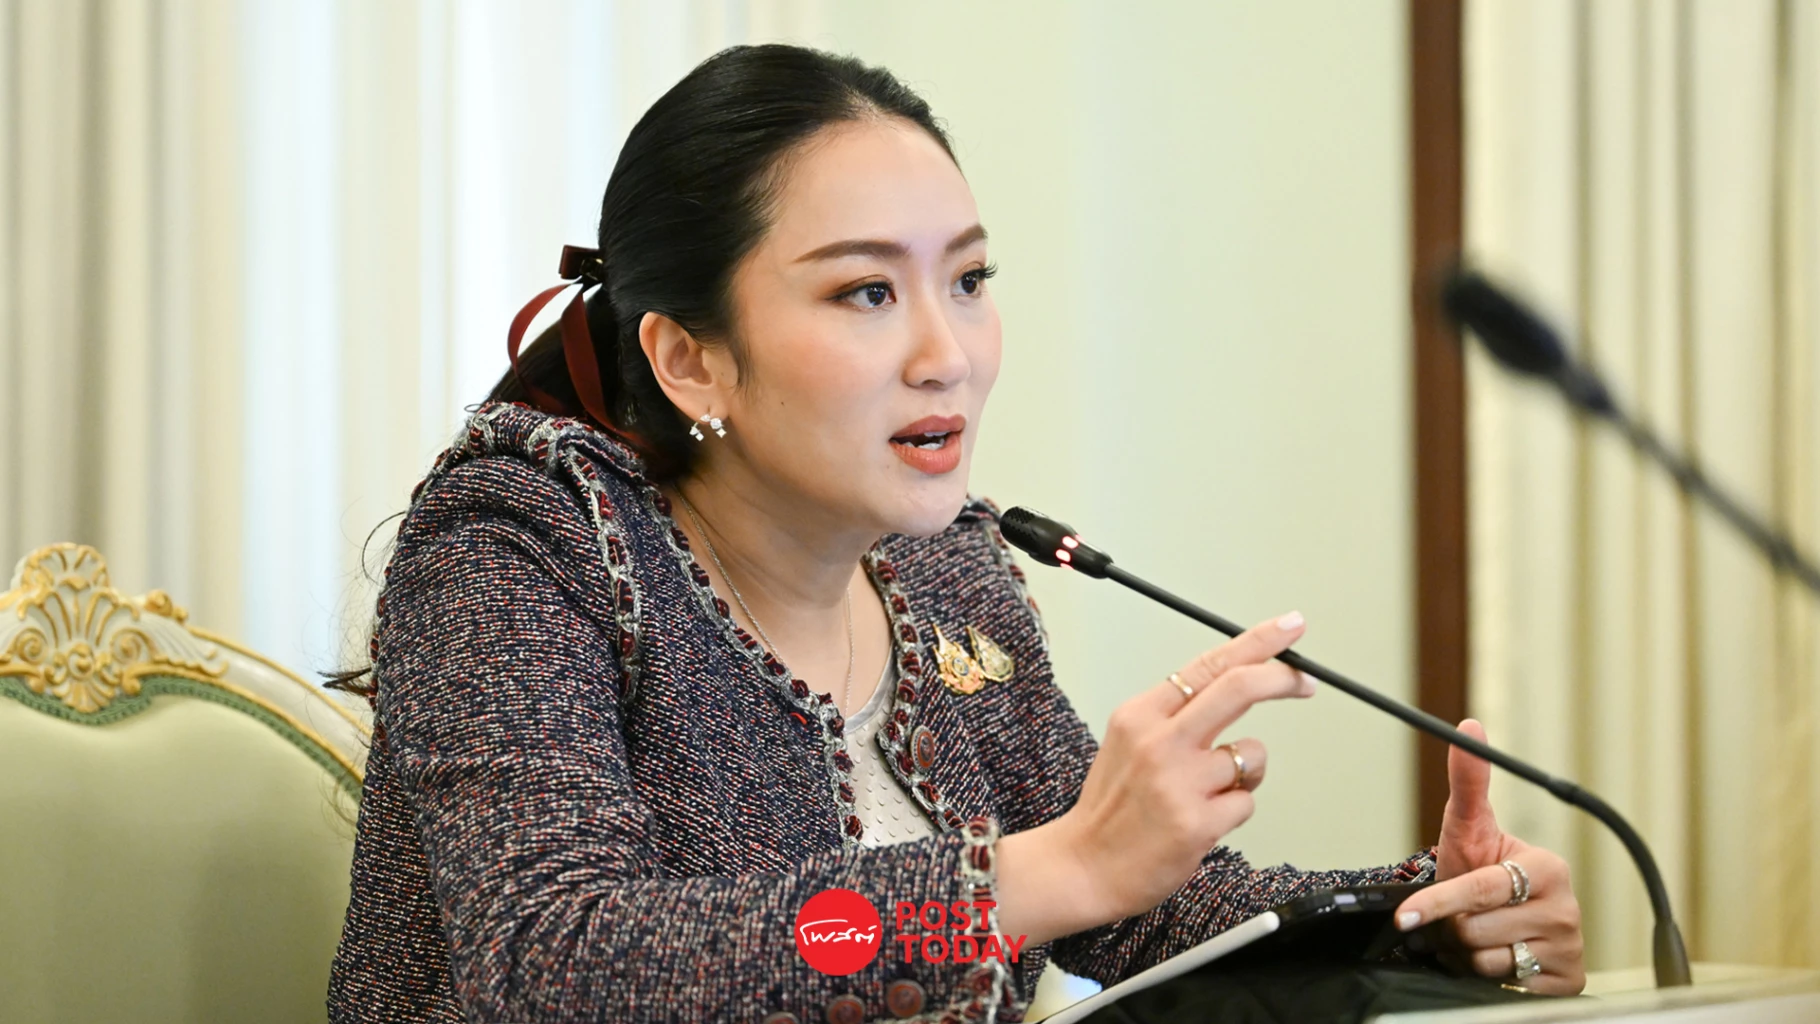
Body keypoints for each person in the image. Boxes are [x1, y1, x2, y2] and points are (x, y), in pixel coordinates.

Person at [326, 43, 1585, 1024]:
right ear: (689, 357)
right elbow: (556, 963)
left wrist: (1426, 915)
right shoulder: (514, 547)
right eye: (866, 290)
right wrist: (1040, 875)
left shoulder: (940, 569)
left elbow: (1139, 911)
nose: (947, 353)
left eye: (968, 280)